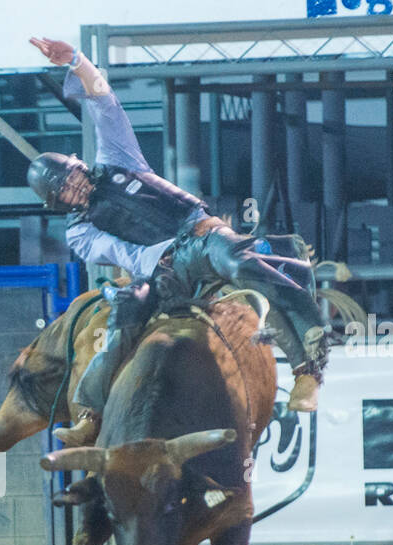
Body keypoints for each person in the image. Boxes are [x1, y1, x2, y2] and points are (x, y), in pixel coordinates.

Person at [26, 37, 335, 445]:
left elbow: (104, 103)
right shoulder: (80, 232)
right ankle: (91, 411)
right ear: (58, 204)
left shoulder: (118, 158)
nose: (74, 189)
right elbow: (125, 254)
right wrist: (165, 265)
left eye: (72, 178)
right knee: (124, 312)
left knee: (238, 260)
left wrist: (78, 62)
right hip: (162, 269)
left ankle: (307, 366)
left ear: (81, 168)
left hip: (200, 233)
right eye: (63, 191)